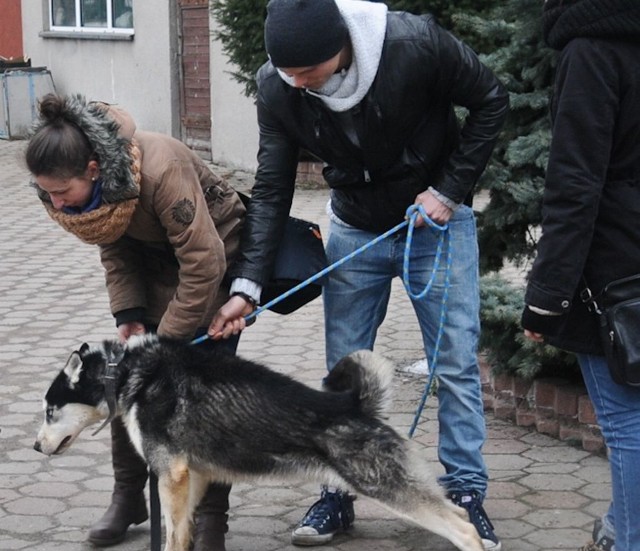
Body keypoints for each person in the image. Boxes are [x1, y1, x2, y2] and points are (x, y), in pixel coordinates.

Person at [208, 0, 509, 549]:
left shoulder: (415, 46)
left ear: (340, 49)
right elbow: (273, 186)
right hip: (353, 227)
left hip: (435, 224)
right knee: (344, 370)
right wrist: (247, 286)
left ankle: (465, 494)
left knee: (457, 365)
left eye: (306, 72)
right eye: (286, 72)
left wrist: (449, 190)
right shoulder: (278, 86)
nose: (295, 85)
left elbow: (492, 99)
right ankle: (338, 493)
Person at [25, 93, 246, 551]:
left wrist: (165, 343)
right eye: (47, 193)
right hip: (154, 264)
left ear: (93, 169)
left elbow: (204, 261)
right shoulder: (97, 185)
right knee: (124, 383)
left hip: (213, 261)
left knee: (203, 402)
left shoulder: (162, 169)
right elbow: (114, 245)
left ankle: (211, 520)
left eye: (62, 193)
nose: (57, 204)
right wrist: (129, 317)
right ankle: (129, 498)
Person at [521, 2, 640, 551]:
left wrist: (545, 300)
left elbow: (574, 186)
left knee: (626, 422)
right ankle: (619, 525)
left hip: (616, 275)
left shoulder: (590, 52)